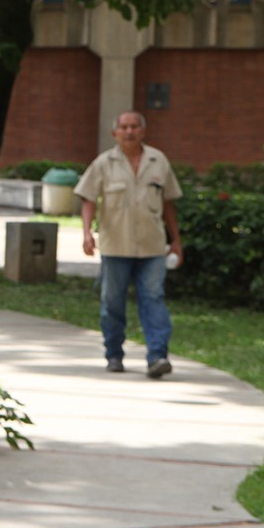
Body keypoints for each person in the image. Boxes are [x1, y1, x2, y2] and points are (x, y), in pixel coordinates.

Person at [74, 111, 184, 379]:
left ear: (143, 130)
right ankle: (114, 354)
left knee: (153, 299)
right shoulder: (103, 163)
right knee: (112, 304)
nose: (129, 131)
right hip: (115, 246)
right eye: (124, 127)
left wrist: (176, 241)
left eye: (134, 126)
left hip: (153, 246)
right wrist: (87, 233)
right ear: (115, 133)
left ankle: (158, 356)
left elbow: (168, 203)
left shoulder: (158, 161)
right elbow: (88, 199)